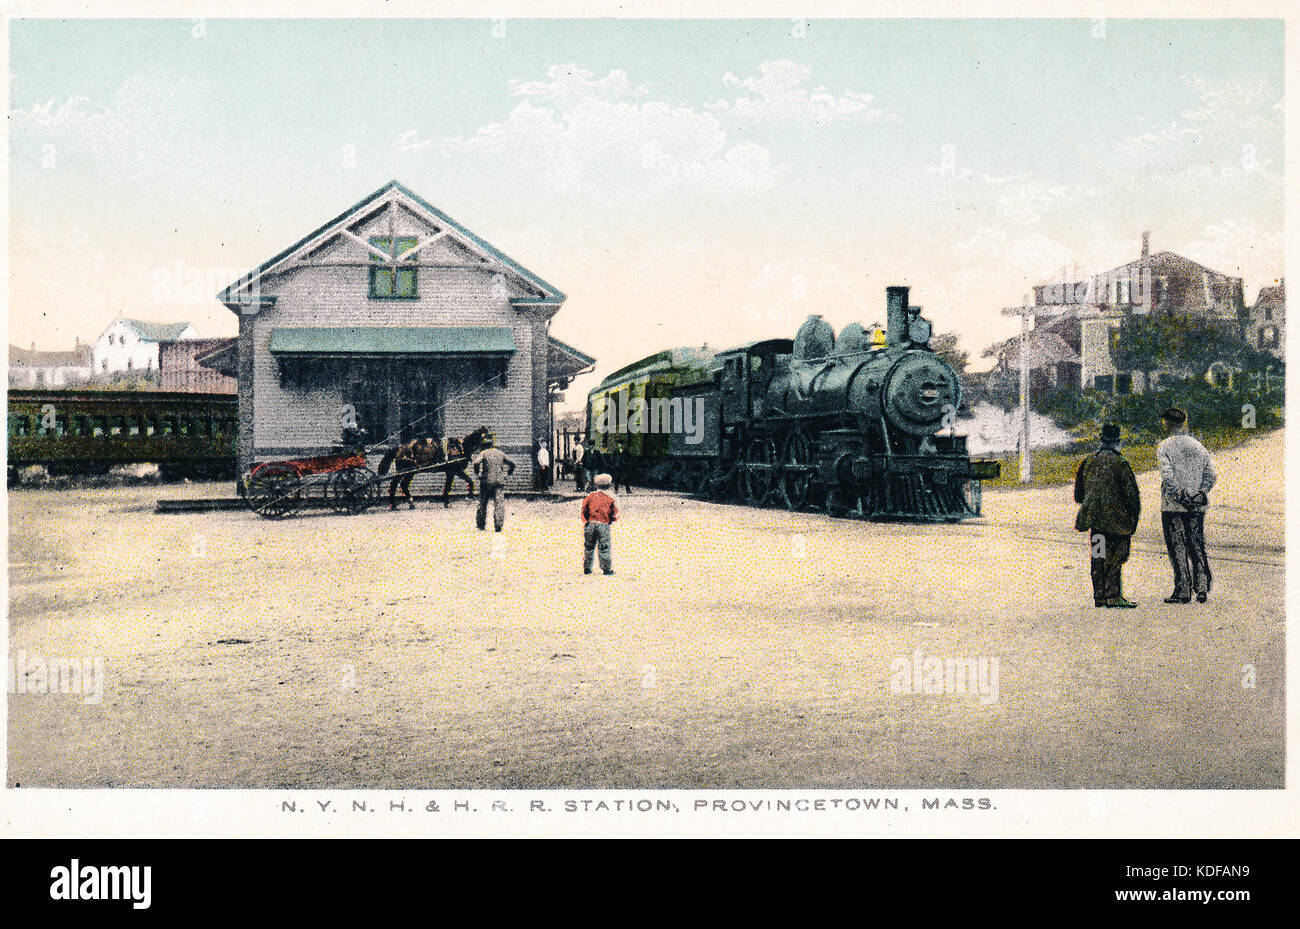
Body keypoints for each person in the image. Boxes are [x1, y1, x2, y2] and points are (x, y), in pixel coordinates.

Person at [1073, 422, 1141, 608]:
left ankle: (1099, 595)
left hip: (1095, 521)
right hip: (1116, 522)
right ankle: (1113, 595)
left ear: (1102, 440)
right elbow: (1132, 496)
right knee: (1115, 557)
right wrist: (1132, 518)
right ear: (1117, 441)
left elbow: (1079, 494)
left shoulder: (1088, 461)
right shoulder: (1121, 463)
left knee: (1098, 555)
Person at [1157, 407, 1216, 603]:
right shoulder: (1198, 446)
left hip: (1173, 505)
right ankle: (1201, 588)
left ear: (1167, 423)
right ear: (1183, 423)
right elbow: (1211, 475)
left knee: (1178, 547)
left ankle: (1182, 591)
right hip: (1196, 506)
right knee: (1197, 545)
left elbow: (1168, 476)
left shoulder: (1164, 446)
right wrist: (1200, 493)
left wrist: (1181, 495)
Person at [472, 437, 516, 532]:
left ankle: (481, 525)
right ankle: (498, 525)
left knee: (482, 503)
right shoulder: (500, 453)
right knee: (499, 504)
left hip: (486, 481)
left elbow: (476, 463)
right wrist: (507, 474)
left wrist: (478, 473)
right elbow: (512, 463)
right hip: (499, 482)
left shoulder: (483, 453)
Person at [581, 473, 619, 575]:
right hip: (603, 524)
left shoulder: (590, 496)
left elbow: (584, 509)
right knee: (604, 547)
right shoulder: (611, 497)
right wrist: (611, 520)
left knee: (588, 547)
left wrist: (586, 520)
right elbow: (614, 512)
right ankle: (606, 569)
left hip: (590, 524)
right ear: (609, 485)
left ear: (596, 484)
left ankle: (587, 568)